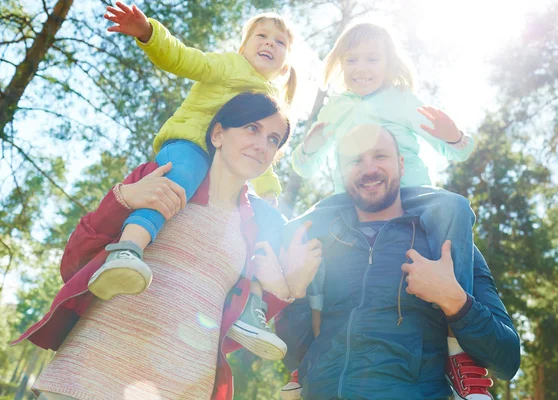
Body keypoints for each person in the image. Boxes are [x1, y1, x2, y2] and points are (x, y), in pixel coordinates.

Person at [12, 93, 321, 400]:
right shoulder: (161, 177)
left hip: (180, 388)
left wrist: (289, 287)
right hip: (86, 374)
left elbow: (228, 330)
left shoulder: (256, 230)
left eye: (273, 139)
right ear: (217, 134)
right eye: (252, 128)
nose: (262, 145)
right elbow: (74, 265)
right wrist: (123, 200)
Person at [88, 2, 298, 358]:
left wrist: (269, 190)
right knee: (182, 177)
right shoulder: (229, 66)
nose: (269, 44)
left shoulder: (271, 102)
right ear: (242, 48)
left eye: (279, 42)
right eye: (261, 36)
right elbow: (185, 59)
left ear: (285, 65)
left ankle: (252, 308)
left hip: (229, 170)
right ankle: (127, 250)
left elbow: (265, 150)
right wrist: (149, 33)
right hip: (190, 146)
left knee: (267, 223)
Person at [276, 126, 520, 399]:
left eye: (380, 156)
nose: (369, 169)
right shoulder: (318, 247)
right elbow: (293, 355)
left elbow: (507, 359)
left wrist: (454, 300)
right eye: (355, 160)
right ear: (341, 172)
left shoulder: (449, 244)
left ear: (401, 164)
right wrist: (295, 295)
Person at [290, 22, 477, 356]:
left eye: (372, 60)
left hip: (409, 194)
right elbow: (303, 167)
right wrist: (309, 146)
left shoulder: (402, 101)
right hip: (351, 199)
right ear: (340, 64)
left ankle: (456, 339)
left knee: (454, 207)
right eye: (352, 60)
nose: (360, 68)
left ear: (389, 65)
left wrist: (453, 135)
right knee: (302, 230)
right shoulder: (334, 108)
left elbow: (459, 151)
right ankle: (305, 350)